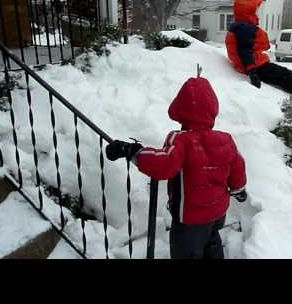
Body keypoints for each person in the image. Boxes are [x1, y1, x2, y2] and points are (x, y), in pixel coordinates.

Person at [105, 75, 247, 259]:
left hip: (189, 220)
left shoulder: (181, 140)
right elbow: (237, 166)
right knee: (211, 242)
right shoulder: (225, 139)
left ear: (182, 109)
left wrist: (132, 151)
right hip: (217, 214)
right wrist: (238, 190)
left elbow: (163, 164)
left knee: (187, 252)